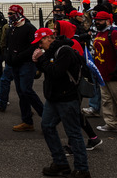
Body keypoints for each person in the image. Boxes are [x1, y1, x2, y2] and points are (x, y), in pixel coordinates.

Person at [32, 28, 91, 178]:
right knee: (47, 126)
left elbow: (55, 72)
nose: (39, 46)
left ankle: (82, 169)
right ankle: (60, 163)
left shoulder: (64, 51)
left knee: (73, 133)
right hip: (54, 97)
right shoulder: (52, 51)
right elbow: (48, 71)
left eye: (41, 42)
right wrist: (38, 62)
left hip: (67, 97)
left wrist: (41, 60)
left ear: (50, 38)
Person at [0, 5, 43, 132]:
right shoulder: (11, 28)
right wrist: (7, 56)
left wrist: (20, 56)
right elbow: (8, 45)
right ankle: (27, 121)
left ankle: (45, 115)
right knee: (21, 92)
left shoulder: (29, 27)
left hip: (26, 64)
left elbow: (34, 46)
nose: (9, 15)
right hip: (15, 64)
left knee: (26, 90)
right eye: (8, 13)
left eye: (11, 13)